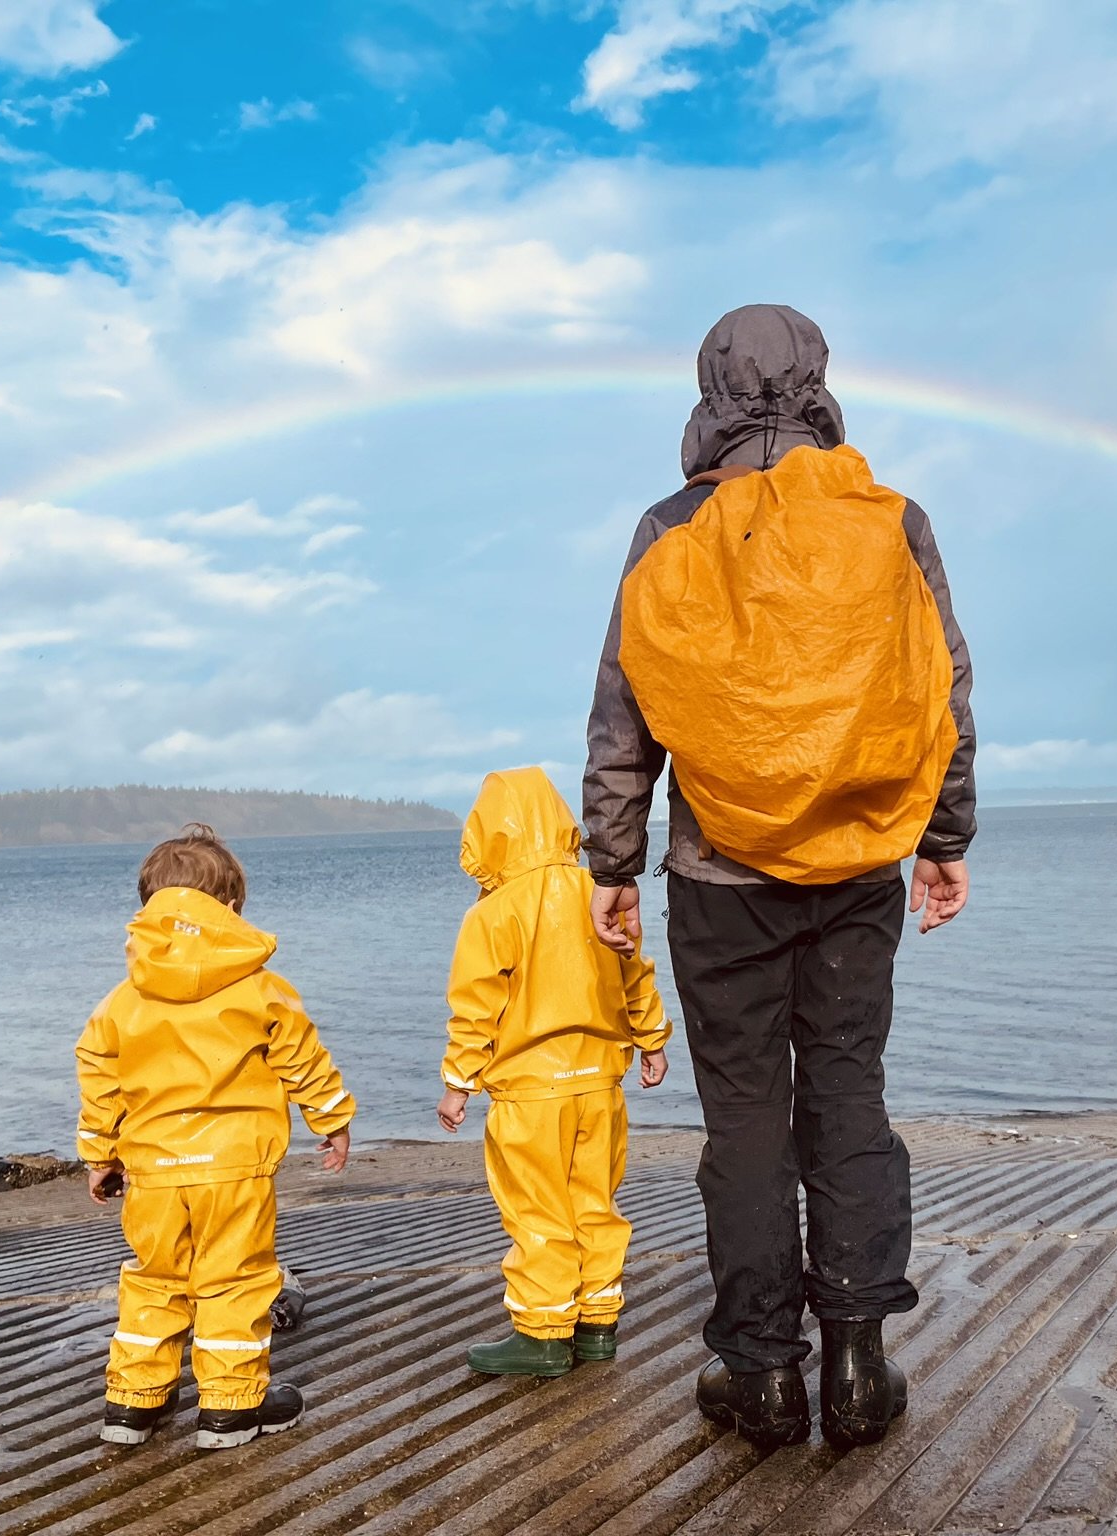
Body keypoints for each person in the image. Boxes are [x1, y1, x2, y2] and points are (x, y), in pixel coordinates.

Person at [582, 304, 976, 1449]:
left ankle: (759, 1374)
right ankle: (857, 1364)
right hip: (856, 866)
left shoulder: (666, 525)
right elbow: (939, 691)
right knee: (846, 1101)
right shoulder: (888, 518)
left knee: (744, 1122)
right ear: (816, 377)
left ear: (708, 382)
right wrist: (941, 838)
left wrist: (612, 859)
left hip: (717, 878)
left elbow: (625, 707)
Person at [76, 823, 356, 1451]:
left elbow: (99, 1075)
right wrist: (331, 1118)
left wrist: (100, 1154)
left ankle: (133, 1403)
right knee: (234, 1279)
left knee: (154, 1278)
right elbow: (302, 1059)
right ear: (230, 911)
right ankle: (230, 1407)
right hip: (232, 1168)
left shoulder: (123, 1000)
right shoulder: (260, 989)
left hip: (153, 1170)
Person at [435, 767, 673, 1376]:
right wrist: (652, 1040)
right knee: (595, 1202)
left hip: (530, 1092)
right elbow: (634, 971)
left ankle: (543, 1334)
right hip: (599, 1083)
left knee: (539, 1210)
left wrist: (459, 1081)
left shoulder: (493, 914)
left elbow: (476, 1004)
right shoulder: (599, 890)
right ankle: (596, 1324)